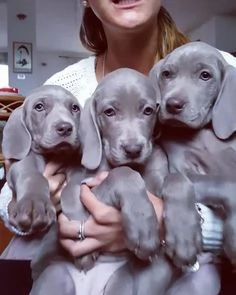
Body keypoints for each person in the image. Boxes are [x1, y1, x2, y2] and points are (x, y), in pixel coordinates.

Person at [1, 0, 236, 293]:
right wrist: (38, 194)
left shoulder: (223, 69)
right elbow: (11, 198)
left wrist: (170, 225)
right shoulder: (65, 88)